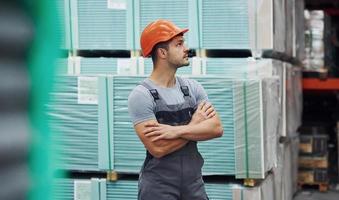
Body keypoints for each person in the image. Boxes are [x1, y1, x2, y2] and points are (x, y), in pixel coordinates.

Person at [128, 19, 223, 200]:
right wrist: (195, 125)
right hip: (158, 187)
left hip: (194, 183)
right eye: (179, 44)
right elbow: (158, 148)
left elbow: (216, 128)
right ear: (162, 52)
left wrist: (175, 131)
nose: (186, 48)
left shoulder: (192, 88)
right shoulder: (141, 95)